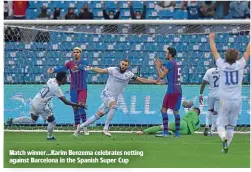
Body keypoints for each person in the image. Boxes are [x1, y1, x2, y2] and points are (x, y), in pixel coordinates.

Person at [73, 59, 162, 137]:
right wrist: (88, 68)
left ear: (128, 66)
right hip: (106, 93)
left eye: (125, 65)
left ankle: (80, 127)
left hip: (113, 97)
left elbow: (142, 79)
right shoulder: (113, 70)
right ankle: (105, 129)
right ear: (120, 63)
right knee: (114, 106)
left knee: (98, 115)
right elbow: (100, 70)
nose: (123, 66)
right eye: (122, 64)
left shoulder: (129, 75)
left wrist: (154, 81)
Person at [5, 72, 86, 140]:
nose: (67, 79)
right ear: (61, 79)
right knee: (52, 121)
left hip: (35, 100)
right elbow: (65, 102)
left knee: (33, 120)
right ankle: (50, 136)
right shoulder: (56, 88)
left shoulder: (51, 80)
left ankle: (12, 121)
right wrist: (77, 105)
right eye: (65, 78)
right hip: (40, 105)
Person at [209, 33, 250, 153]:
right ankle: (225, 147)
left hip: (224, 100)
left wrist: (211, 39)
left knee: (220, 124)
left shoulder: (221, 65)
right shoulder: (240, 64)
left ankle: (223, 138)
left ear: (226, 56)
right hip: (237, 100)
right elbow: (248, 52)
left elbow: (214, 52)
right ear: (237, 57)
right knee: (231, 125)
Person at [47, 47, 89, 135]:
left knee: (81, 106)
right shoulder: (69, 63)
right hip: (73, 88)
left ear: (80, 53)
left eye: (78, 52)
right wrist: (54, 70)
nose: (76, 53)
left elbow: (84, 67)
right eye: (74, 52)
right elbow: (62, 68)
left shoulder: (84, 62)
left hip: (82, 88)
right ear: (72, 54)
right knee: (74, 107)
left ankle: (85, 126)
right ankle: (77, 127)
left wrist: (79, 67)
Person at [155, 47, 182, 138]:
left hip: (171, 90)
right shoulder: (177, 63)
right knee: (176, 111)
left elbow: (162, 75)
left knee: (163, 109)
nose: (165, 54)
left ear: (170, 54)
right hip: (178, 90)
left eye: (166, 53)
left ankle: (165, 132)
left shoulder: (170, 63)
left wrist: (158, 67)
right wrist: (163, 66)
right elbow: (170, 71)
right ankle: (177, 134)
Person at [199, 63, 220, 136]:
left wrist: (201, 94)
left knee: (209, 110)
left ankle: (207, 125)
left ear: (214, 63)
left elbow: (204, 83)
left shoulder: (209, 71)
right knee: (216, 113)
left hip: (211, 94)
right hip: (220, 95)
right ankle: (211, 131)